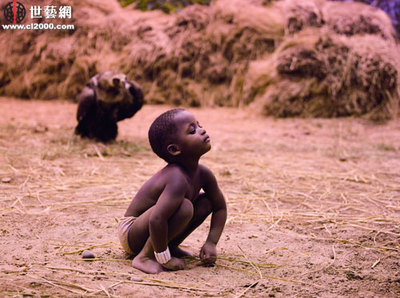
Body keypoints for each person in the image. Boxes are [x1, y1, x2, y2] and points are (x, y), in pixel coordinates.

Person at [118, 108, 227, 274]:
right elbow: (156, 219)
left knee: (207, 202)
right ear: (175, 149)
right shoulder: (176, 178)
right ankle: (144, 257)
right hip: (132, 231)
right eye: (192, 130)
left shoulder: (204, 173)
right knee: (184, 207)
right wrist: (164, 258)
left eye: (199, 125)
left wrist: (211, 242)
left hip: (155, 227)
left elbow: (220, 207)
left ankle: (169, 246)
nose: (202, 130)